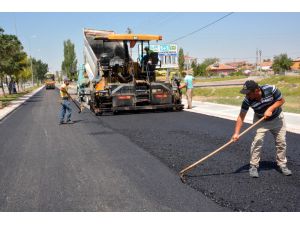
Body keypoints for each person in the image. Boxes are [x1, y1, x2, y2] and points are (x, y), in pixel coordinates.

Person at [232, 80, 292, 178]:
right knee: (257, 141)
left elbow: (281, 100)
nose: (246, 95)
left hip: (277, 119)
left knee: (281, 141)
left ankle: (282, 164)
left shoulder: (271, 89)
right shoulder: (247, 100)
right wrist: (236, 133)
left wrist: (270, 109)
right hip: (260, 120)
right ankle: (253, 166)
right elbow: (241, 116)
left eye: (248, 93)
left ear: (256, 90)